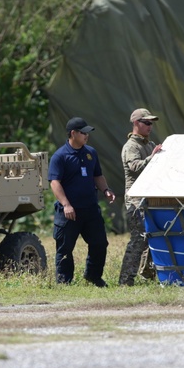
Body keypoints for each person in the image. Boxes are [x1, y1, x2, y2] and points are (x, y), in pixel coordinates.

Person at [49, 117, 116, 287]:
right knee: (65, 248)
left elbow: (97, 175)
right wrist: (66, 204)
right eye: (83, 132)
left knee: (100, 243)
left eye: (87, 132)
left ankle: (93, 276)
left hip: (90, 209)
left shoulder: (91, 152)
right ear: (73, 133)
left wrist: (106, 190)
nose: (87, 135)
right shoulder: (60, 156)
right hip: (70, 211)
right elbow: (54, 182)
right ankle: (64, 282)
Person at [119, 108, 163, 286]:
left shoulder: (149, 145)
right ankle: (125, 279)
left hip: (150, 198)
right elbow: (135, 167)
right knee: (138, 240)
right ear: (136, 123)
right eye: (146, 123)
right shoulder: (131, 146)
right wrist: (152, 158)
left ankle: (148, 274)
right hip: (136, 201)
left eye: (151, 123)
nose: (150, 126)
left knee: (153, 236)